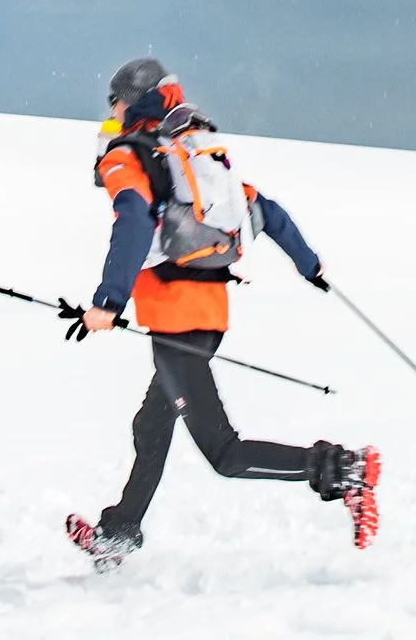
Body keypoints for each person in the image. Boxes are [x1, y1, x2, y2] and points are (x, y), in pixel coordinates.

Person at [64, 57, 379, 569]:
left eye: (115, 101)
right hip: (206, 316)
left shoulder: (130, 156)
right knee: (151, 426)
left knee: (224, 454)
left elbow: (134, 222)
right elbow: (267, 211)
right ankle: (120, 531)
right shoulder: (189, 151)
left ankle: (344, 469)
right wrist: (310, 264)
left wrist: (107, 302)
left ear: (131, 100)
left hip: (176, 323)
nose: (112, 111)